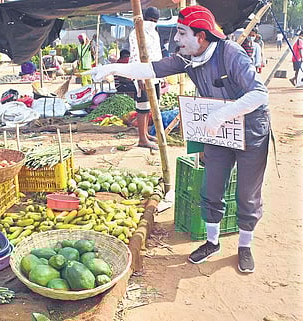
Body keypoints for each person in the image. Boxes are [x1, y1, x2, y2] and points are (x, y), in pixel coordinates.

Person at [87, 5, 270, 273]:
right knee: (211, 187)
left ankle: (245, 245)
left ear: (202, 36)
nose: (176, 39)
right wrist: (112, 67)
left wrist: (221, 115)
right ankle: (211, 241)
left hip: (250, 129)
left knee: (247, 193)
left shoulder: (230, 53)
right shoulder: (188, 58)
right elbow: (152, 69)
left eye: (182, 33)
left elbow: (259, 94)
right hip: (217, 130)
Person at [128, 6, 162, 150]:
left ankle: (146, 134)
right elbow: (135, 54)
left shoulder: (155, 33)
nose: (152, 23)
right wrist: (139, 77)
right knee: (142, 107)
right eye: (150, 20)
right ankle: (142, 139)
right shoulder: (135, 33)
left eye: (155, 21)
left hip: (154, 74)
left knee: (152, 106)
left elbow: (157, 53)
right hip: (142, 74)